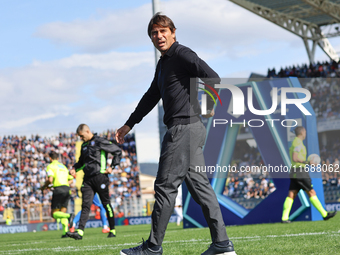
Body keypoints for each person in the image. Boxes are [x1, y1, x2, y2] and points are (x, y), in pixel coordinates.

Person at [116, 12, 236, 255]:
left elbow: (213, 77)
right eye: (154, 33)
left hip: (182, 129)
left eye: (163, 31)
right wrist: (129, 124)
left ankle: (152, 247)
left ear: (172, 32)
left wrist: (210, 106)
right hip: (189, 130)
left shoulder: (181, 53)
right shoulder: (163, 64)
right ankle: (222, 245)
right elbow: (151, 96)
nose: (158, 36)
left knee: (165, 187)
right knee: (201, 189)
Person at [67, 124, 122, 240]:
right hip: (87, 180)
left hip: (100, 177)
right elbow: (80, 162)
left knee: (106, 204)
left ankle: (112, 229)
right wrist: (73, 168)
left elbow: (117, 151)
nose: (81, 139)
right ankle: (79, 232)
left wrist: (112, 166)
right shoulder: (84, 146)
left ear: (87, 131)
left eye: (81, 136)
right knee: (85, 205)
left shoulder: (100, 141)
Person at [281, 126, 336, 223]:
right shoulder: (297, 142)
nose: (305, 133)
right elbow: (295, 157)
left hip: (294, 172)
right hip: (300, 172)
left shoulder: (296, 142)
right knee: (311, 192)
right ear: (302, 132)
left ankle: (284, 218)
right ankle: (324, 214)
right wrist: (308, 162)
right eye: (305, 132)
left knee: (291, 194)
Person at [41, 151, 74, 238]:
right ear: (58, 158)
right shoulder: (63, 166)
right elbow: (71, 180)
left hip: (58, 189)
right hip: (67, 189)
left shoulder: (50, 166)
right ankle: (65, 233)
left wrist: (45, 186)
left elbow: (50, 180)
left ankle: (69, 216)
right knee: (62, 212)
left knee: (54, 214)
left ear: (50, 158)